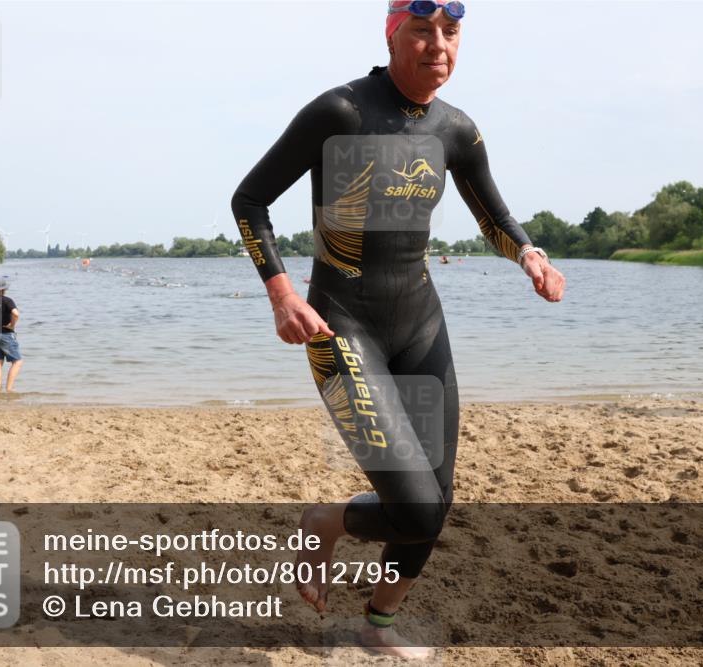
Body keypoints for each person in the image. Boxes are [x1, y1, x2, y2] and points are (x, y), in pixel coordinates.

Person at [232, 1, 565, 657]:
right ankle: (325, 521)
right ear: (393, 36)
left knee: (435, 505)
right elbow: (250, 199)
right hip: (341, 327)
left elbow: (492, 212)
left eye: (451, 32)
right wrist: (280, 294)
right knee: (413, 506)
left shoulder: (456, 132)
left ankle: (376, 627)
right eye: (422, 30)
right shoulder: (341, 113)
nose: (438, 45)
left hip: (420, 323)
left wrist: (528, 252)